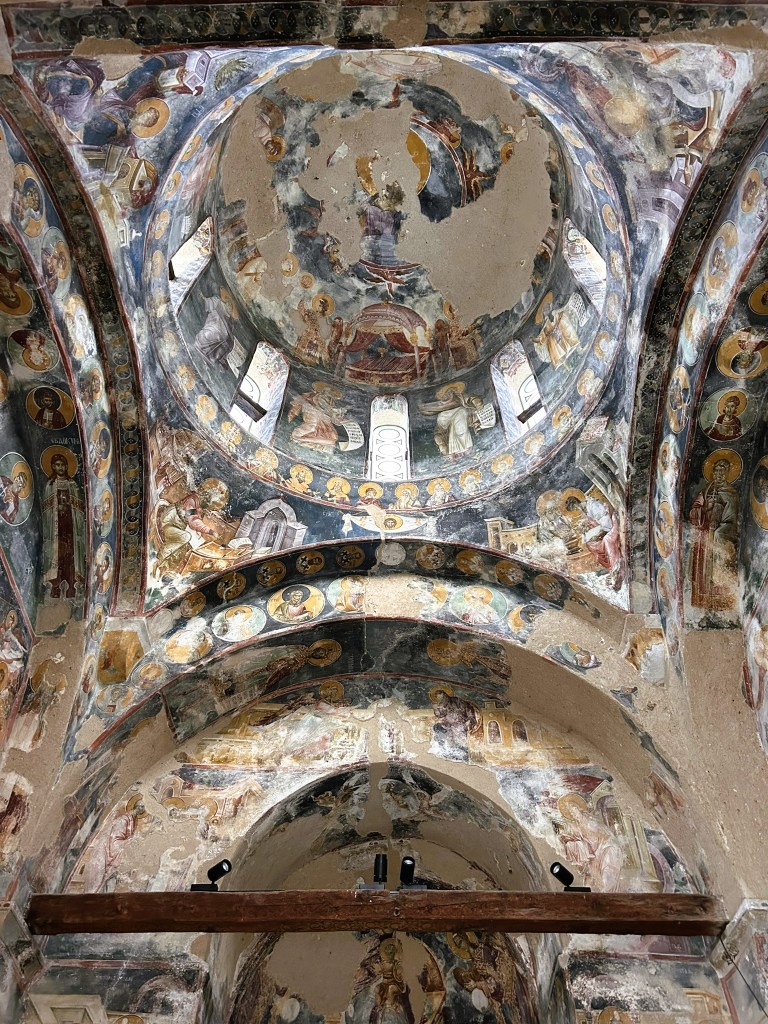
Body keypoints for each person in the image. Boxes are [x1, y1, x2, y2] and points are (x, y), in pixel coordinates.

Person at [689, 457, 739, 610]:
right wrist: (700, 510)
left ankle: (721, 600)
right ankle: (701, 599)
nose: (719, 474)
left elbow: (731, 519)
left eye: (722, 471)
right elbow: (696, 506)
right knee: (702, 567)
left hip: (719, 533)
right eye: (716, 470)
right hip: (705, 530)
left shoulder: (731, 492)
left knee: (717, 563)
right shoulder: (706, 489)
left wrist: (719, 531)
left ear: (727, 473)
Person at [42, 453, 85, 599]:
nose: (60, 468)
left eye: (63, 465)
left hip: (70, 527)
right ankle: (54, 587)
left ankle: (72, 587)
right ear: (53, 467)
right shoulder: (50, 485)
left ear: (66, 466)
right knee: (56, 554)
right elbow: (46, 511)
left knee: (70, 556)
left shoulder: (73, 485)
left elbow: (79, 509)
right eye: (57, 465)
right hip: (55, 527)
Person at [418, 385, 485, 457]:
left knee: (461, 417)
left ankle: (467, 448)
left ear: (453, 393)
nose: (447, 395)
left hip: (460, 414)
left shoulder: (460, 397)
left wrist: (479, 406)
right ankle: (455, 452)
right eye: (445, 394)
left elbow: (472, 399)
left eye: (449, 392)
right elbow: (428, 411)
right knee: (443, 417)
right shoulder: (441, 405)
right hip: (447, 419)